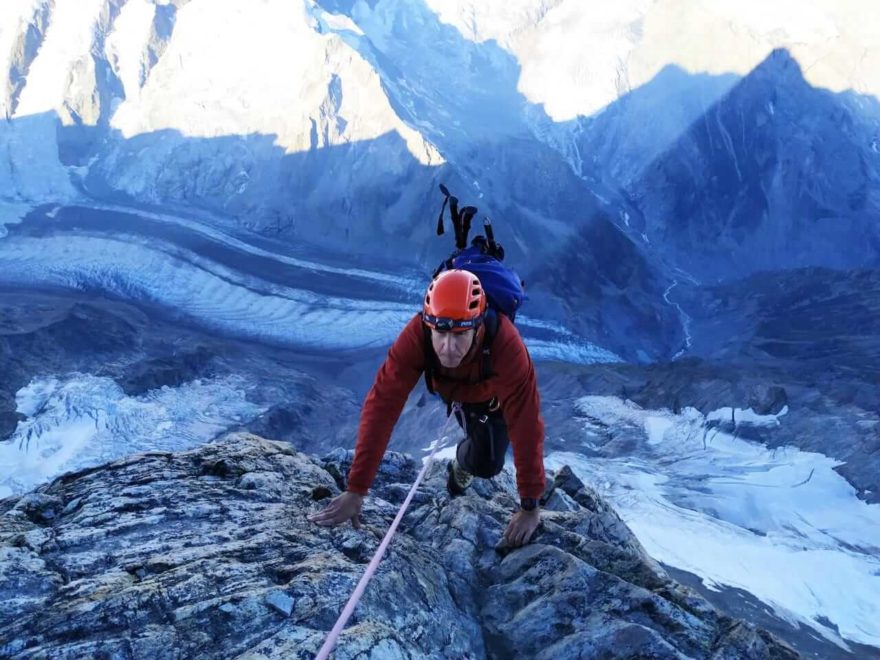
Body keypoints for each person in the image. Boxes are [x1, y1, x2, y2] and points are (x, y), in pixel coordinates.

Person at [309, 269, 546, 548]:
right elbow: (382, 406)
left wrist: (530, 506)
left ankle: (462, 462)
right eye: (440, 334)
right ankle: (466, 454)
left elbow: (526, 424)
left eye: (460, 335)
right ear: (428, 325)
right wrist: (356, 489)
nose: (448, 347)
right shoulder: (416, 335)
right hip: (454, 391)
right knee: (484, 453)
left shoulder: (506, 346)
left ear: (478, 326)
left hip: (492, 398)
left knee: (488, 464)